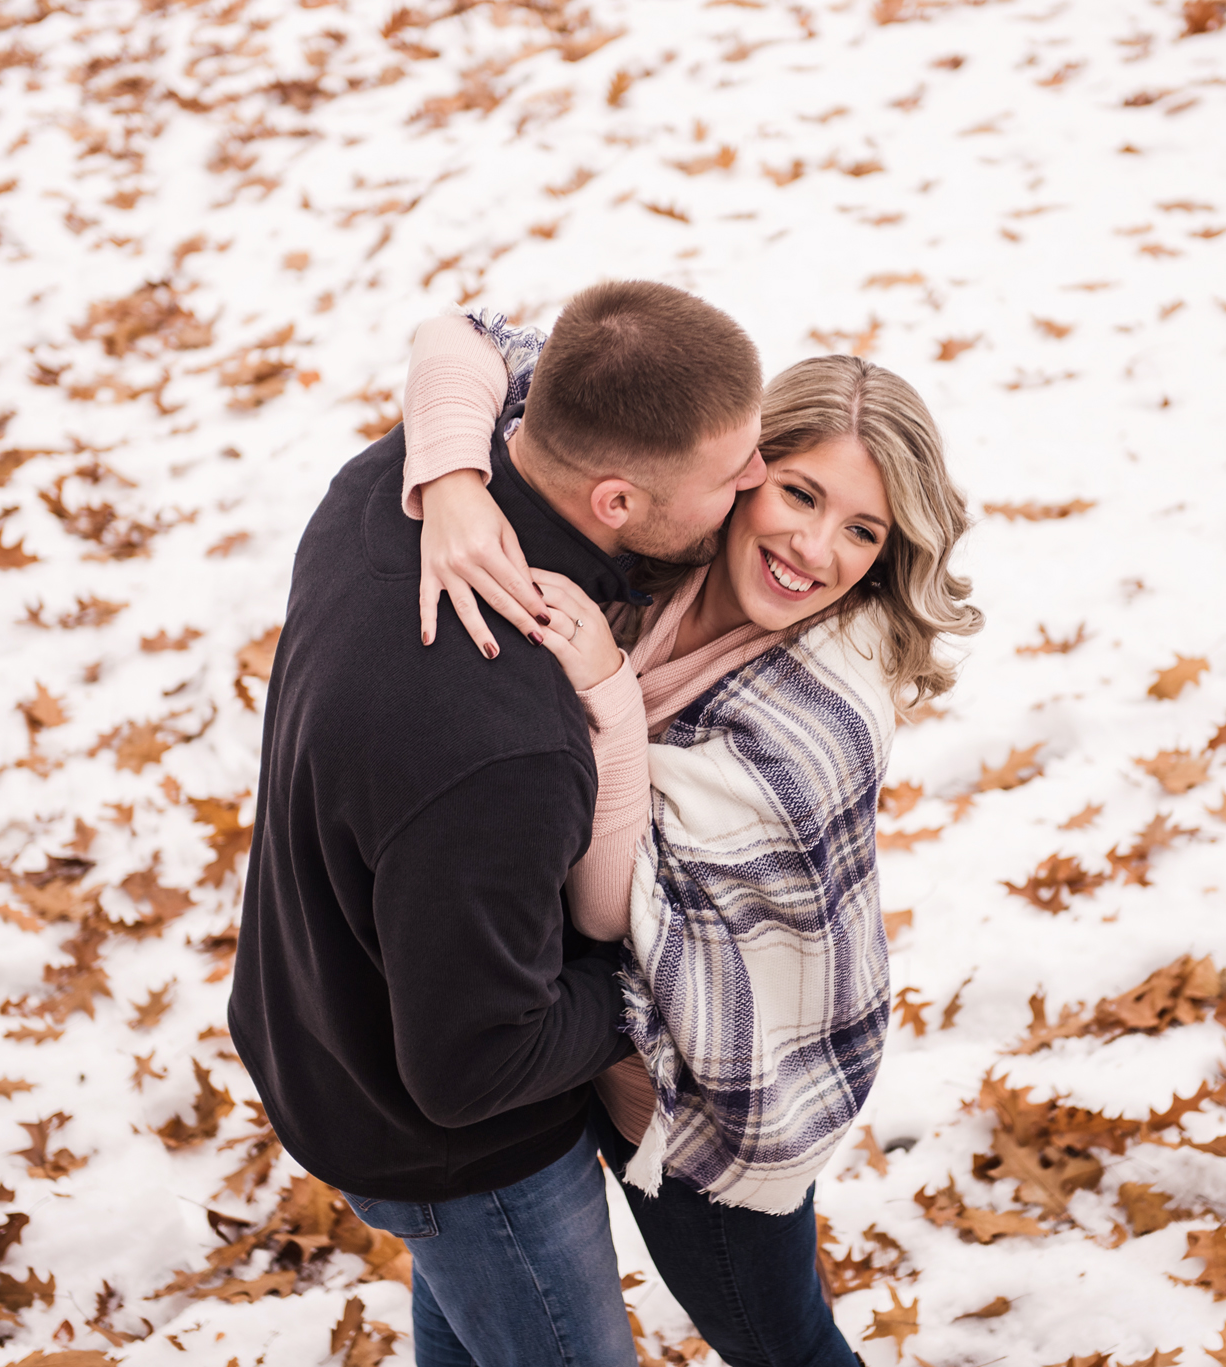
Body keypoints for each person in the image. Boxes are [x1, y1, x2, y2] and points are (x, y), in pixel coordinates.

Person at [400, 307, 982, 1367]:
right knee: (469, 1297)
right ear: (740, 467)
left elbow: (612, 902)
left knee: (781, 1342)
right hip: (547, 1025)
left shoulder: (825, 708)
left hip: (703, 1094)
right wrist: (451, 485)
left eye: (863, 531)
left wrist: (608, 698)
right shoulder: (671, 519)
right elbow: (464, 333)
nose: (816, 550)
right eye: (799, 494)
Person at [228, 281, 772, 1367]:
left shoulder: (399, 478)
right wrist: (650, 990)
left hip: (326, 1010)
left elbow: (472, 333)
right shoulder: (502, 738)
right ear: (613, 500)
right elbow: (473, 1064)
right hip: (457, 1149)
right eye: (731, 475)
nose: (755, 486)